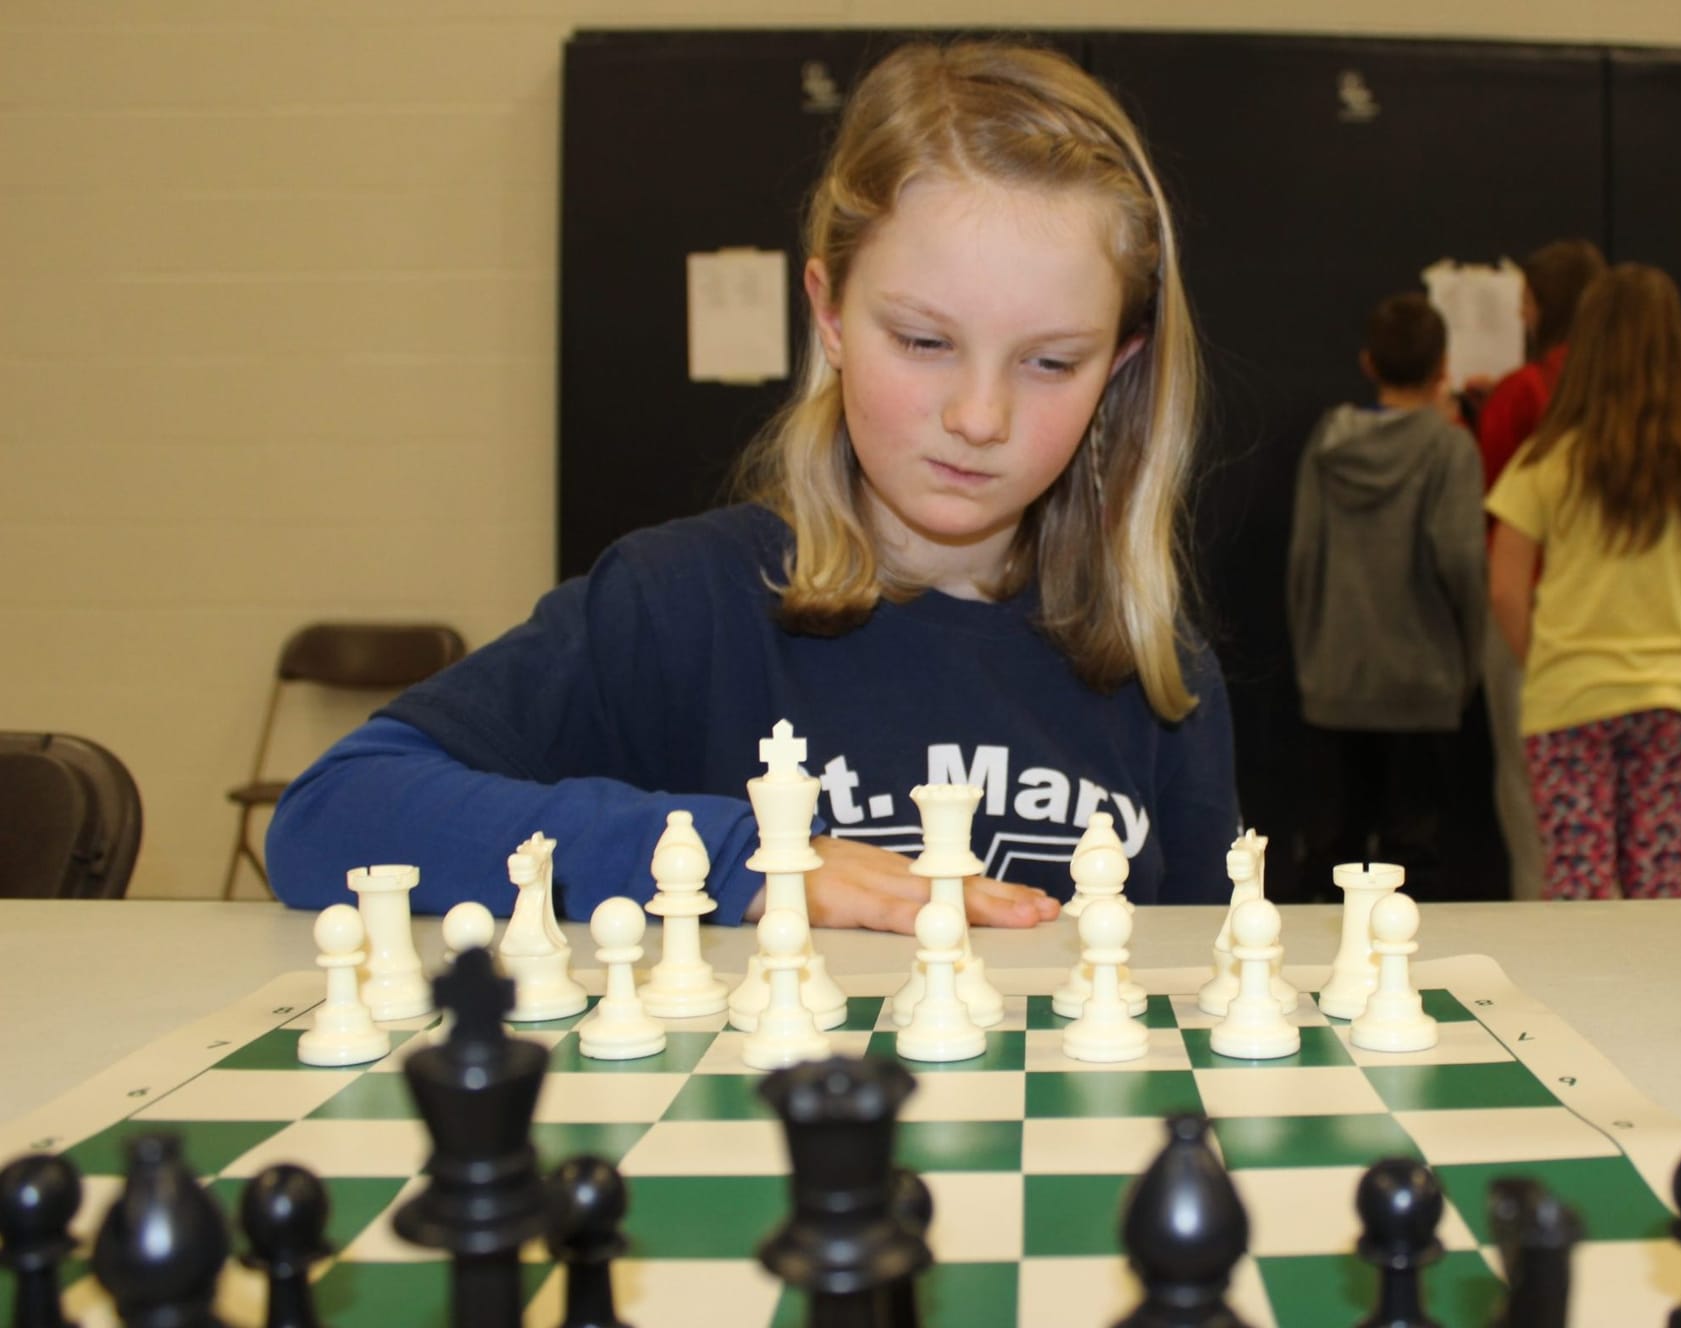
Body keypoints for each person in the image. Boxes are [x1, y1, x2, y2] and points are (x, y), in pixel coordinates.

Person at [265, 40, 1240, 933]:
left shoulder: (1161, 670)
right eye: (922, 341)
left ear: (1117, 366)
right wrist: (743, 858)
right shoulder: (676, 604)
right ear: (829, 315)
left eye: (1050, 361)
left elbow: (1192, 991)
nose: (979, 415)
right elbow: (330, 814)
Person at [1485, 264, 1681, 900]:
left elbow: (1505, 588)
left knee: (1580, 883)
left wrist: (1543, 660)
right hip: (1668, 695)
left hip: (1569, 696)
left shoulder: (1547, 461)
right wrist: (1675, 652)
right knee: (1657, 876)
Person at [1285, 293, 1485, 900]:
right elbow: (1462, 561)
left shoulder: (1329, 442)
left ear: (1368, 363)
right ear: (1443, 367)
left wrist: (1312, 661)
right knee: (1414, 866)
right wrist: (1466, 665)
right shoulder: (1450, 449)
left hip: (1334, 678)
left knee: (1331, 860)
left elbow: (1303, 558)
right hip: (1423, 684)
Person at [1477, 239, 1605, 901]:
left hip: (1531, 614)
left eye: (1526, 300)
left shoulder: (1524, 393)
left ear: (1544, 305)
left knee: (1531, 798)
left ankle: (1541, 926)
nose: (1520, 313)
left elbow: (1493, 508)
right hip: (1614, 622)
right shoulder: (1626, 400)